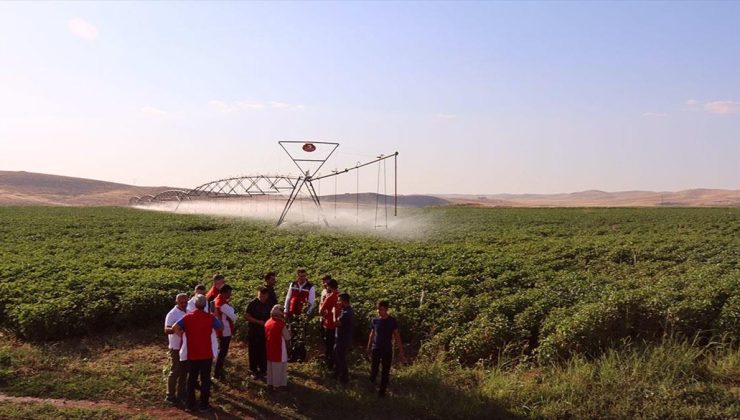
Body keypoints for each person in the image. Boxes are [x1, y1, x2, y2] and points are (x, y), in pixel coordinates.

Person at [173, 295, 223, 412]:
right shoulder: (209, 317)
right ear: (205, 305)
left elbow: (175, 327)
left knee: (191, 380)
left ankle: (190, 405)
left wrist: (182, 334)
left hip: (192, 353)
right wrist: (215, 314)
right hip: (206, 353)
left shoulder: (188, 317)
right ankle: (203, 405)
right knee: (205, 380)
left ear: (195, 304)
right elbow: (220, 328)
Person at [367, 300, 406, 397]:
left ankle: (382, 392)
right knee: (374, 369)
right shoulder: (375, 320)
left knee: (385, 370)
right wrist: (368, 347)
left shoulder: (392, 321)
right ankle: (371, 386)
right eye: (378, 309)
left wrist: (401, 351)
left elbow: (397, 336)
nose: (378, 311)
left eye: (381, 309)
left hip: (387, 349)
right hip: (376, 348)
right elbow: (372, 334)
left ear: (386, 310)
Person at [283, 268, 315, 362]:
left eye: (304, 276)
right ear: (297, 276)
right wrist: (286, 310)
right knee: (292, 334)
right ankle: (293, 355)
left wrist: (307, 314)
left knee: (302, 335)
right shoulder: (293, 284)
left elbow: (311, 302)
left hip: (302, 314)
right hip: (292, 313)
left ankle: (301, 356)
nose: (302, 278)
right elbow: (288, 298)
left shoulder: (310, 287)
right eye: (300, 276)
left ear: (306, 276)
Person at [164, 293, 188, 404]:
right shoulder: (172, 314)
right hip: (176, 347)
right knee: (175, 370)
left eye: (185, 302)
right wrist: (176, 329)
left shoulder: (188, 311)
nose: (183, 304)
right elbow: (166, 329)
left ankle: (182, 392)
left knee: (184, 370)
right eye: (181, 302)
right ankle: (170, 395)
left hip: (185, 346)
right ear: (176, 302)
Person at [245, 286, 272, 379]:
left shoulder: (269, 304)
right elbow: (247, 316)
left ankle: (263, 370)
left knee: (263, 351)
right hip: (254, 331)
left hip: (265, 332)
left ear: (267, 296)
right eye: (259, 295)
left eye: (263, 296)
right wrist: (258, 321)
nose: (261, 297)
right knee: (253, 351)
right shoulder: (253, 303)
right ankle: (253, 370)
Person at [265, 304, 291, 391]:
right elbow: (287, 337)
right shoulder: (280, 324)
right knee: (279, 368)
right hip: (279, 349)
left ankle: (270, 383)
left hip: (270, 347)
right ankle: (278, 385)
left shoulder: (268, 322)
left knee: (270, 368)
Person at [213, 284, 236, 380]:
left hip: (219, 329)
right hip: (225, 330)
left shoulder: (216, 300)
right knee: (222, 352)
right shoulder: (223, 304)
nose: (230, 295)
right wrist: (232, 309)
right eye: (229, 293)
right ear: (225, 292)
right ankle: (217, 372)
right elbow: (234, 316)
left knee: (220, 351)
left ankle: (218, 371)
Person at [318, 279, 339, 371]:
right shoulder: (340, 296)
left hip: (329, 324)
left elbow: (321, 311)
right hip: (338, 325)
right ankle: (336, 364)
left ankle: (329, 365)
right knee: (336, 345)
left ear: (330, 287)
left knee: (329, 346)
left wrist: (325, 314)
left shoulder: (330, 297)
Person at [334, 293, 353, 384]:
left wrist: (334, 313)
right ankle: (338, 374)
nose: (338, 302)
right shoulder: (345, 310)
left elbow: (337, 323)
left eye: (339, 300)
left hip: (343, 339)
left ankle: (344, 378)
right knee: (338, 357)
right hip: (341, 338)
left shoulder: (347, 313)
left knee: (341, 358)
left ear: (344, 301)